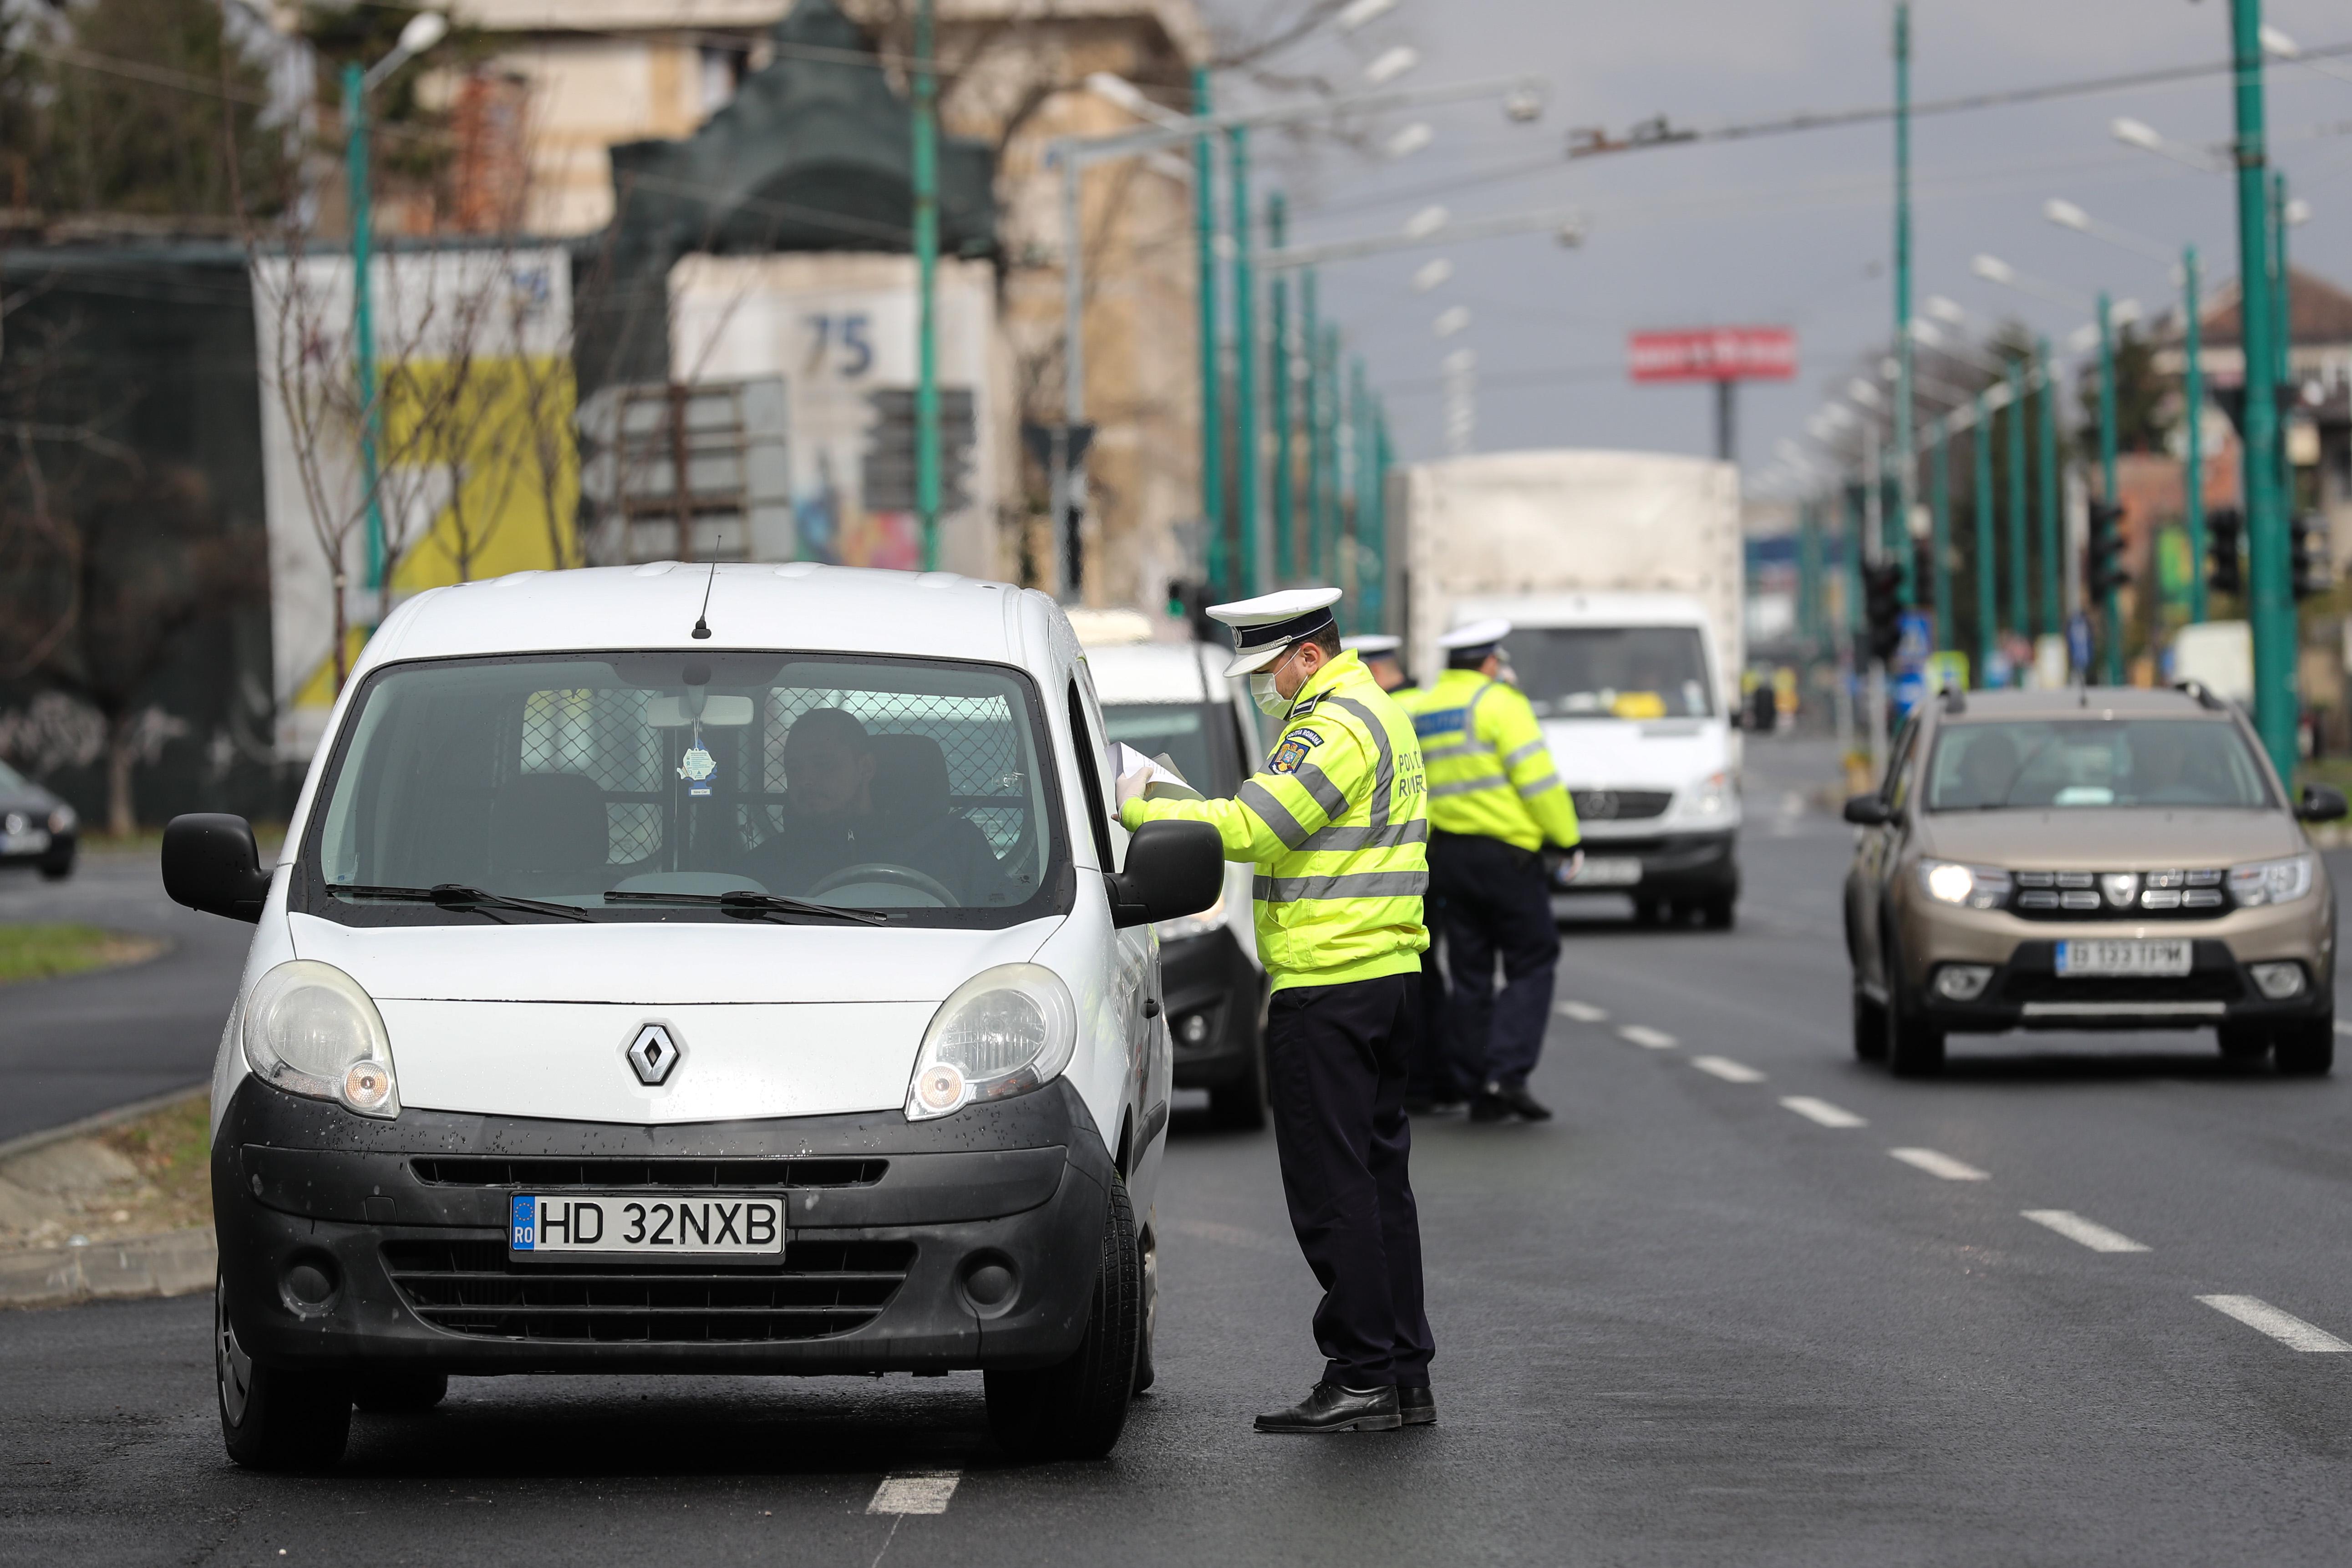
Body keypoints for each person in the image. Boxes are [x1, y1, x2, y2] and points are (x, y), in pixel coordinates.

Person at [1116, 587, 1436, 1435]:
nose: (1267, 689)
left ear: (1308, 654)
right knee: (1377, 1185)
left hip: (1330, 980)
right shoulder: (1381, 713)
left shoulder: (1330, 724)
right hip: (1385, 972)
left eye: (1268, 671)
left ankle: (1361, 1373)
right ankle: (1402, 1375)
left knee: (1333, 1189)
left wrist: (1140, 797)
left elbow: (1255, 829)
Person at [1399, 620, 1581, 1124]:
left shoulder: (1426, 707)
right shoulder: (1501, 704)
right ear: (1490, 662)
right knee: (1533, 958)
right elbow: (1539, 783)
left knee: (1470, 973)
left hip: (1448, 858)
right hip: (1507, 857)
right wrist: (1567, 839)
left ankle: (1475, 1082)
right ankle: (1508, 1074)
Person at [1347, 634, 1459, 1113]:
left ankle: (1425, 1079)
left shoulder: (1388, 712)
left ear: (1373, 671)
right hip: (1425, 854)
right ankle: (1439, 1077)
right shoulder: (1417, 705)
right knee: (1428, 972)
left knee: (1422, 975)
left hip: (1399, 862)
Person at [753, 707, 1002, 903]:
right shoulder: (770, 861)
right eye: (794, 769)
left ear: (865, 769)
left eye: (824, 765)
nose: (805, 781)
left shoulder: (958, 846)